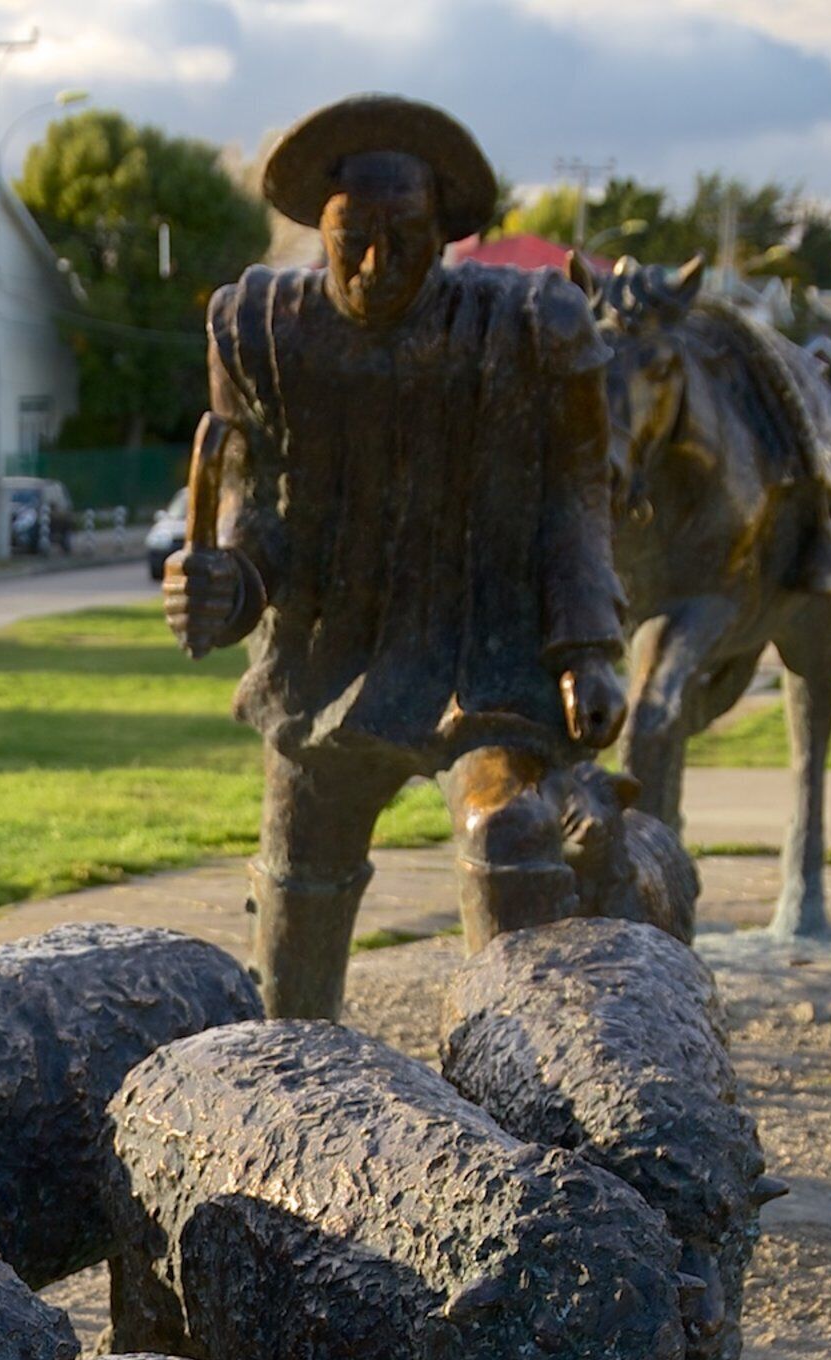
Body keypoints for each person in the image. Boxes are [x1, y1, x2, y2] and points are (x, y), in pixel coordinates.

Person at [163, 95, 627, 1020]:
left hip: (485, 658)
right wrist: (230, 587)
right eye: (352, 237)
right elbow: (260, 519)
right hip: (325, 665)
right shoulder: (260, 329)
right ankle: (292, 1095)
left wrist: (585, 646)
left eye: (405, 236)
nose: (376, 262)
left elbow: (578, 493)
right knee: (297, 883)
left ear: (449, 234)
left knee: (508, 834)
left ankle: (529, 1083)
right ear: (319, 228)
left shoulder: (531, 326)